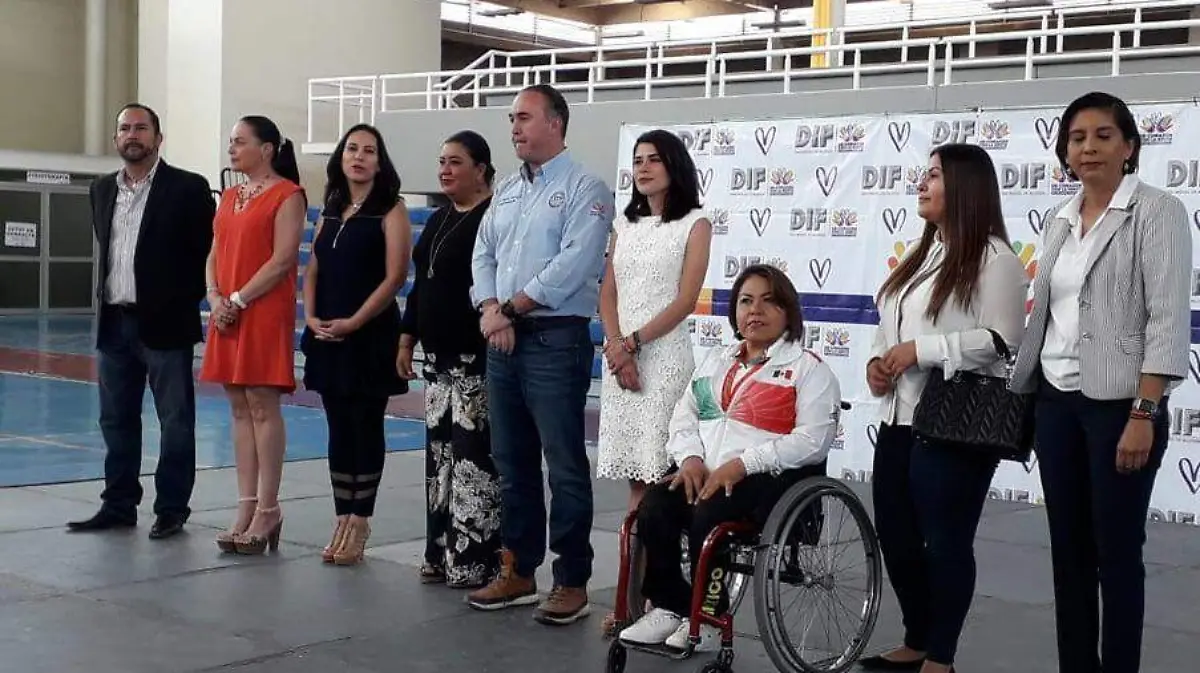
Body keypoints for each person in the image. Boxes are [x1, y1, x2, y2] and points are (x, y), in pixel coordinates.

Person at [1009, 91, 1191, 673]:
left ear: (1129, 146)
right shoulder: (1058, 219)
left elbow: (1166, 320)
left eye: (1103, 135)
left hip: (1121, 408)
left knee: (1117, 555)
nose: (1088, 147)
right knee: (1069, 555)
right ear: (1065, 151)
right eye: (1077, 138)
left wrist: (1144, 412)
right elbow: (1047, 312)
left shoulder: (1158, 212)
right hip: (1056, 403)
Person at [862, 143, 1028, 673]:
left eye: (934, 174)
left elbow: (1003, 340)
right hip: (899, 418)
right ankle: (916, 638)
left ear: (965, 186)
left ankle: (942, 655)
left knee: (946, 541)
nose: (922, 182)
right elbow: (890, 325)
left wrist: (924, 351)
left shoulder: (996, 259)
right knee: (897, 537)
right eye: (924, 173)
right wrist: (878, 362)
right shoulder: (924, 253)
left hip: (955, 422)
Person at [617, 264, 841, 652]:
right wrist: (689, 458)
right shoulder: (716, 362)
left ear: (788, 311)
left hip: (766, 478)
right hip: (704, 471)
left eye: (768, 301)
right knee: (655, 506)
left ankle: (708, 617)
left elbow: (813, 441)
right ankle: (670, 606)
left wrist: (743, 464)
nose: (755, 310)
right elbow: (684, 415)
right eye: (746, 301)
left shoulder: (808, 370)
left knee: (710, 513)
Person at [467, 83, 614, 626]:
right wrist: (491, 308)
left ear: (556, 122)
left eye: (524, 118)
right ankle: (519, 570)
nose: (514, 128)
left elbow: (574, 265)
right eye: (512, 118)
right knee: (511, 462)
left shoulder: (585, 188)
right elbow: (483, 254)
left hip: (554, 338)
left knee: (565, 465)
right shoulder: (507, 190)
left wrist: (508, 308)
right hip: (503, 339)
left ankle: (572, 579)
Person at [67, 103, 215, 539]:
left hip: (166, 325)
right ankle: (118, 504)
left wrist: (179, 300)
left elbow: (205, 255)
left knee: (175, 421)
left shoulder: (188, 188)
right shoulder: (100, 189)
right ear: (116, 138)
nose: (132, 134)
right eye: (125, 128)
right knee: (115, 420)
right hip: (114, 322)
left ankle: (171, 508)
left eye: (141, 128)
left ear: (158, 138)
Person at [596, 128, 711, 633]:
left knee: (657, 477)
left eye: (653, 160)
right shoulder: (624, 223)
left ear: (674, 166)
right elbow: (607, 292)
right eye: (638, 160)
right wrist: (615, 346)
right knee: (635, 486)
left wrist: (633, 343)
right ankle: (632, 601)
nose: (642, 168)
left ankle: (651, 598)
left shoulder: (695, 223)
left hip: (663, 362)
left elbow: (686, 299)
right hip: (620, 360)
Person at [301, 123, 412, 566]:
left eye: (369, 151)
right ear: (341, 157)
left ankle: (361, 519)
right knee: (338, 427)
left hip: (369, 335)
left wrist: (355, 322)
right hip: (327, 332)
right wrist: (311, 317)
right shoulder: (331, 208)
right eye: (352, 149)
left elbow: (395, 277)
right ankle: (341, 515)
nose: (359, 157)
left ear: (380, 162)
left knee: (365, 426)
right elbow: (313, 269)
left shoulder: (391, 209)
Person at [199, 115, 306, 556]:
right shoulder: (228, 196)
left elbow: (282, 260)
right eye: (231, 141)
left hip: (260, 311)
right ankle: (245, 504)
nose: (232, 148)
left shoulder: (288, 195)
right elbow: (214, 252)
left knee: (262, 405)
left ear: (267, 149)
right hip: (226, 312)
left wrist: (238, 299)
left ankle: (268, 507)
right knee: (238, 407)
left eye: (240, 141)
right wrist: (214, 297)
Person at [400, 130, 502, 588]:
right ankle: (439, 553)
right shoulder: (440, 217)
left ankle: (475, 560)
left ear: (480, 169)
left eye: (455, 162)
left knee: (472, 463)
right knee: (438, 459)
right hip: (437, 363)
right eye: (442, 161)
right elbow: (421, 284)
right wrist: (406, 338)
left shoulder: (493, 217)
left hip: (474, 361)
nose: (445, 169)